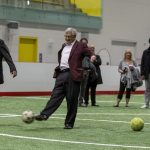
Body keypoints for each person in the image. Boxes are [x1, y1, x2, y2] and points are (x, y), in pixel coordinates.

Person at [35, 27, 92, 129]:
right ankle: (44, 114)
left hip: (72, 75)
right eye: (65, 36)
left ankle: (69, 123)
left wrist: (90, 58)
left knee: (71, 100)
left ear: (74, 36)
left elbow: (89, 53)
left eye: (69, 36)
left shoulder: (80, 45)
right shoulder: (64, 46)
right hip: (61, 73)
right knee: (55, 95)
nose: (66, 38)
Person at [78, 38, 89, 107]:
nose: (84, 44)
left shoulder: (88, 52)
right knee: (76, 88)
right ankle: (75, 102)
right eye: (83, 43)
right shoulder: (77, 51)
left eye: (85, 43)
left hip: (86, 72)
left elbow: (89, 62)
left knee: (83, 88)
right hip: (78, 71)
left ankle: (81, 101)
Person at [140, 38, 150, 108]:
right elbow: (142, 63)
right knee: (147, 89)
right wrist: (142, 74)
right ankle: (146, 104)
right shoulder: (145, 52)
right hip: (147, 73)